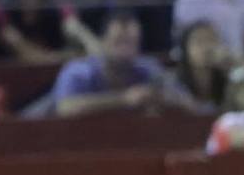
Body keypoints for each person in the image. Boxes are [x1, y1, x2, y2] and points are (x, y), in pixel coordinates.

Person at [49, 12, 197, 118]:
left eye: (131, 43)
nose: (125, 49)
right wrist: (123, 99)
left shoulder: (149, 69)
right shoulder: (78, 71)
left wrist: (161, 98)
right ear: (103, 42)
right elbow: (65, 108)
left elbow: (191, 105)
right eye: (118, 42)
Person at [174, 20, 235, 112]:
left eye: (211, 40)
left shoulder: (230, 76)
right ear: (185, 48)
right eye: (199, 41)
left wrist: (234, 67)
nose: (206, 47)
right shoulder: (173, 84)